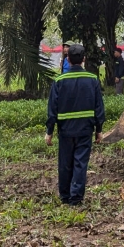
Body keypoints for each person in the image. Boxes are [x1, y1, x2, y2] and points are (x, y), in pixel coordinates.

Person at [45, 44, 105, 206]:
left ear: (68, 59)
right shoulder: (92, 80)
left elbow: (52, 109)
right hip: (85, 129)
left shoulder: (59, 81)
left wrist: (49, 131)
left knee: (65, 163)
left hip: (65, 131)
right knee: (80, 163)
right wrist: (99, 130)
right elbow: (99, 107)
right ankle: (76, 197)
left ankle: (65, 196)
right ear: (84, 59)